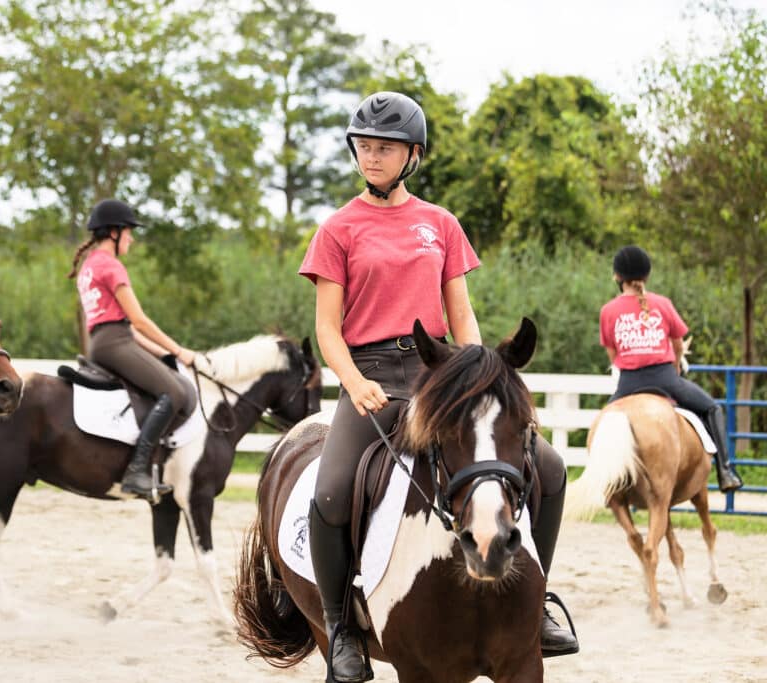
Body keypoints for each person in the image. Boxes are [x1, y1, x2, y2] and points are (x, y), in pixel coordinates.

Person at [299, 92, 578, 681]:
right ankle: (343, 629)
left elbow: (462, 315)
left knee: (548, 467)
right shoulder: (338, 229)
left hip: (438, 375)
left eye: (385, 148)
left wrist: (476, 371)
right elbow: (327, 328)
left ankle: (541, 602)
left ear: (413, 155)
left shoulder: (440, 224)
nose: (371, 158)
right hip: (370, 377)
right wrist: (352, 382)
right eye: (364, 147)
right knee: (329, 493)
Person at [68, 198, 196, 503]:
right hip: (116, 343)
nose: (132, 238)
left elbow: (126, 327)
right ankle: (137, 470)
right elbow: (138, 320)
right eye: (128, 231)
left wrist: (161, 354)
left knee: (167, 383)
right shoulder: (110, 266)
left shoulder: (89, 266)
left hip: (105, 340)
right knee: (176, 392)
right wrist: (179, 351)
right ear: (113, 232)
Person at [600, 245, 743, 492]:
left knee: (603, 425)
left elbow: (613, 354)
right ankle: (726, 471)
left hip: (628, 383)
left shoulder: (608, 311)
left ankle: (605, 482)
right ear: (646, 276)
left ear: (617, 276)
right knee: (712, 408)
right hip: (665, 378)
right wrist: (675, 368)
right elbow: (677, 346)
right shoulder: (662, 304)